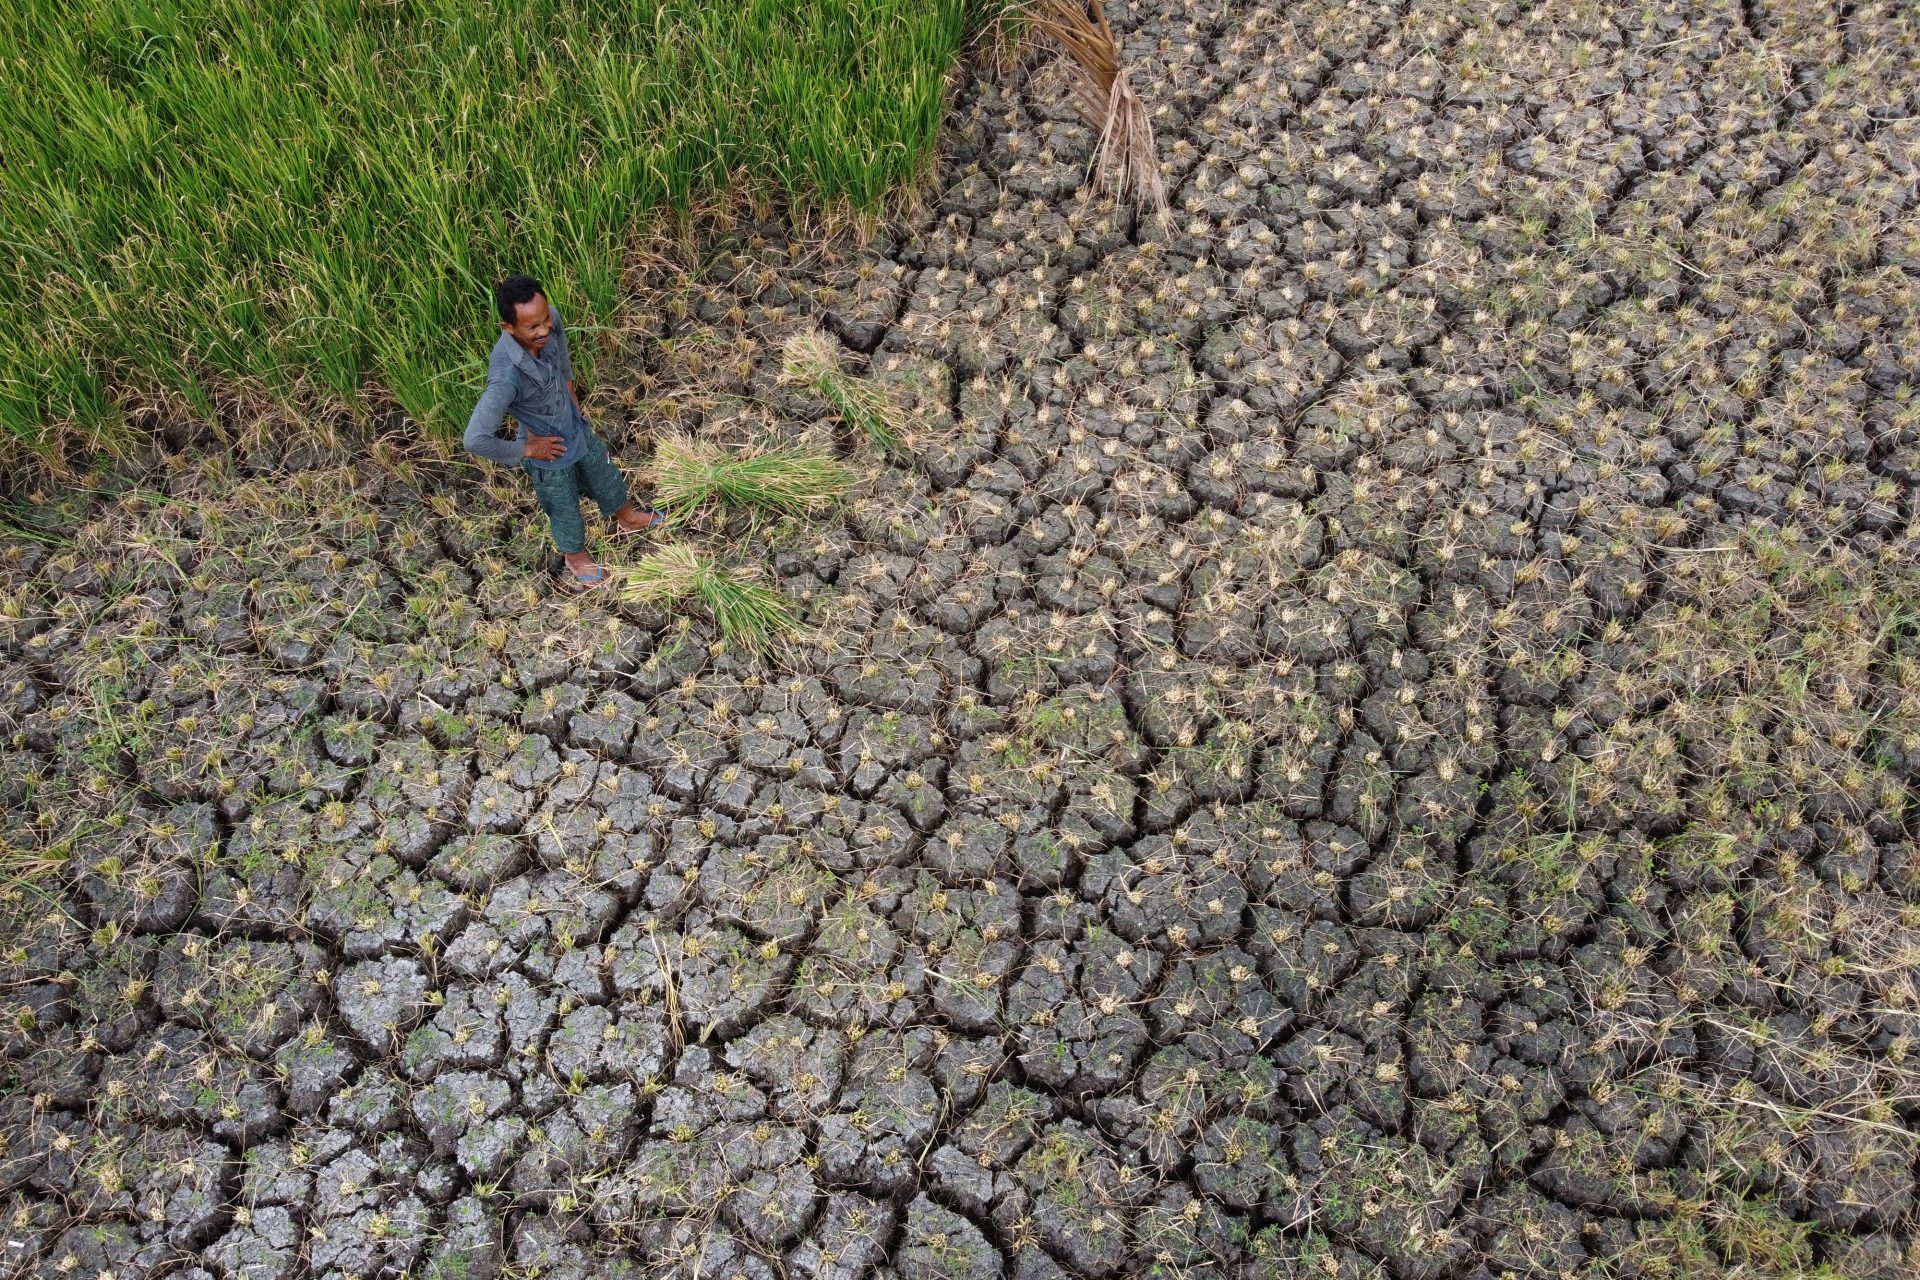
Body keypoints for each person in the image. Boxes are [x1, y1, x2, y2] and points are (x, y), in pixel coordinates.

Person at [463, 275, 664, 588]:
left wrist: (570, 390)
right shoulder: (505, 375)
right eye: (533, 327)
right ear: (508, 328)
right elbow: (475, 438)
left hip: (575, 427)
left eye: (545, 320)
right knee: (564, 504)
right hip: (550, 452)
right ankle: (576, 556)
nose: (544, 329)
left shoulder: (549, 318)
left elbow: (562, 355)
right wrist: (528, 450)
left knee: (604, 472)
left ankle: (628, 518)